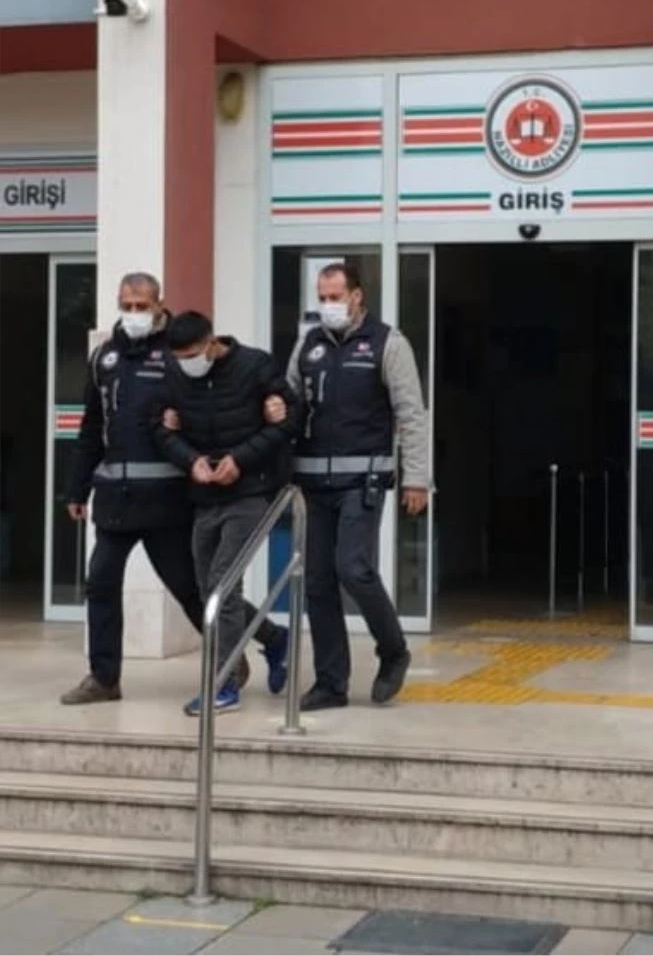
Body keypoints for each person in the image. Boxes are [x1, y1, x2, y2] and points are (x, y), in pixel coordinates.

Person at [60, 274, 288, 706]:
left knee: (196, 592)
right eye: (126, 304)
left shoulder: (179, 352)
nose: (133, 313)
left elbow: (212, 404)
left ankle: (261, 642)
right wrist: (76, 488)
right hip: (115, 498)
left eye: (141, 305)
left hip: (168, 498)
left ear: (159, 304)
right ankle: (104, 678)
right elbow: (92, 426)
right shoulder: (104, 358)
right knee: (100, 583)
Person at [280, 262, 429, 712]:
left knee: (354, 568)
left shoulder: (388, 343)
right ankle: (331, 683)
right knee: (318, 581)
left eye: (335, 297)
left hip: (363, 479)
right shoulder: (308, 344)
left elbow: (411, 414)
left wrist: (416, 477)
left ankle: (393, 650)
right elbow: (289, 402)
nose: (328, 305)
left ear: (357, 296)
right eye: (322, 298)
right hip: (313, 481)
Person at [152, 310, 299, 715]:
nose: (187, 364)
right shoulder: (175, 375)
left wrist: (241, 459)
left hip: (251, 492)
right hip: (205, 495)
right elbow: (159, 429)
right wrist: (191, 460)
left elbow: (290, 419)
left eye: (193, 355)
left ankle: (224, 684)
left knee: (222, 584)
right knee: (208, 591)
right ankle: (275, 639)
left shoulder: (255, 365)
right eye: (180, 358)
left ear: (212, 342)